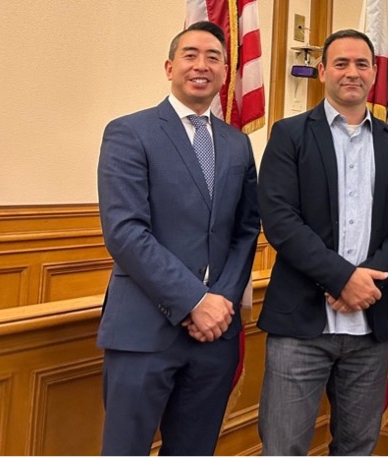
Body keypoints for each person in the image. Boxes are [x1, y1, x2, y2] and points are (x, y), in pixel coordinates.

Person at [256, 29, 388, 455]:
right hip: (300, 325)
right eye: (342, 63)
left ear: (374, 74)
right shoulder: (289, 135)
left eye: (362, 64)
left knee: (357, 447)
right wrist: (342, 278)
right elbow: (280, 220)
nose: (352, 72)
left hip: (370, 326)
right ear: (322, 71)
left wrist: (365, 284)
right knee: (283, 448)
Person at [96, 21, 260, 455]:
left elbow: (246, 230)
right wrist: (195, 301)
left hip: (216, 337)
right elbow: (125, 232)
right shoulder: (129, 132)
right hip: (143, 332)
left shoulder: (237, 145)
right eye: (190, 55)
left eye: (213, 57)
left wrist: (221, 301)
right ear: (170, 66)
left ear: (226, 72)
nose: (201, 65)